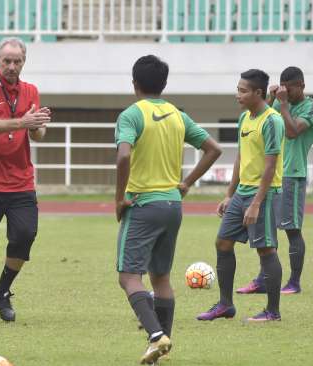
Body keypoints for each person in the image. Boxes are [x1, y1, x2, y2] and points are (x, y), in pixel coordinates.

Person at [115, 55, 222, 364]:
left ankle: (155, 335)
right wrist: (186, 182)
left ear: (134, 83)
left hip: (143, 204)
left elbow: (123, 157)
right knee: (160, 277)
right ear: (163, 84)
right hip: (173, 205)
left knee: (129, 277)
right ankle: (160, 347)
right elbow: (213, 148)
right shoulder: (177, 115)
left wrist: (119, 198)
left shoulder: (131, 115)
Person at [0, 37, 51, 325]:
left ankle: (2, 292)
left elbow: (35, 134)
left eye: (17, 61)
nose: (12, 66)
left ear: (24, 62)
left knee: (25, 235)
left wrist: (38, 124)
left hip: (20, 181)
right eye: (7, 61)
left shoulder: (31, 90)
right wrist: (22, 123)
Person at [197, 69, 284, 322]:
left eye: (243, 90)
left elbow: (270, 165)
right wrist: (229, 194)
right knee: (222, 243)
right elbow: (240, 157)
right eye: (238, 89)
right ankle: (225, 305)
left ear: (259, 93)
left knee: (266, 250)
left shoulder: (272, 120)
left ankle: (273, 311)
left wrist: (256, 203)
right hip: (241, 192)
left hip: (264, 195)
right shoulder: (244, 118)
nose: (238, 94)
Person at [236, 66, 313, 295]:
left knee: (292, 229)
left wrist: (282, 104)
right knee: (267, 231)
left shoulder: (311, 107)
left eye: (290, 88)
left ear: (301, 85)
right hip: (272, 177)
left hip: (293, 174)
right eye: (282, 87)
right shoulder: (278, 103)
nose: (286, 92)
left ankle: (294, 282)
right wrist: (271, 97)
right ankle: (264, 279)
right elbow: (265, 118)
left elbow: (292, 131)